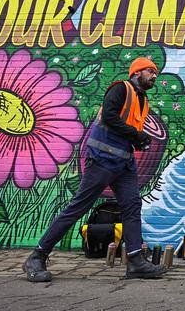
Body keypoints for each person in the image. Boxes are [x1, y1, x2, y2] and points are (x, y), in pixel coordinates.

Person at [23, 57, 166, 282]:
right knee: (77, 208)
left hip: (124, 163)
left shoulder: (142, 100)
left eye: (155, 72)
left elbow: (127, 128)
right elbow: (109, 117)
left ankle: (136, 261)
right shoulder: (121, 89)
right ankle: (37, 256)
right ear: (137, 72)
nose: (154, 76)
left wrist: (139, 142)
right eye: (150, 71)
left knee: (131, 206)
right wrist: (135, 135)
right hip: (102, 161)